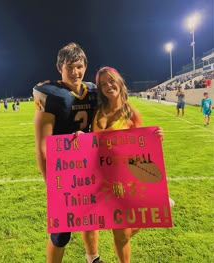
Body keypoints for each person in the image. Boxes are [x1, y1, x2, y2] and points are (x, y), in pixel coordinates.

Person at [33, 43, 103, 263]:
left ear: (85, 66)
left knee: (90, 216)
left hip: (88, 166)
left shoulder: (92, 91)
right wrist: (50, 182)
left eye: (79, 66)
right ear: (59, 68)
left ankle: (92, 257)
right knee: (62, 232)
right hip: (63, 171)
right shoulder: (50, 94)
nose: (75, 72)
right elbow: (43, 146)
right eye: (70, 67)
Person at [93, 66, 166, 263]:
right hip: (105, 182)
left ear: (119, 81)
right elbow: (91, 145)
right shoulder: (98, 112)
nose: (108, 86)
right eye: (103, 84)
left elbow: (142, 147)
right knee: (120, 233)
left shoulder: (132, 113)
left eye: (111, 80)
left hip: (128, 182)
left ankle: (144, 215)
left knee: (123, 234)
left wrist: (155, 139)